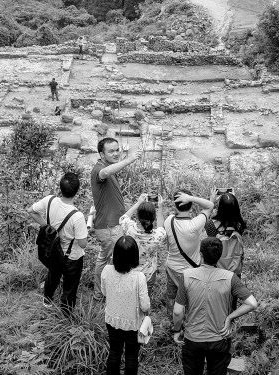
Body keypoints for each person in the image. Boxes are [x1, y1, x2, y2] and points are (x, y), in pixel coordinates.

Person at [172, 237, 258, 375]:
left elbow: (177, 312)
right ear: (220, 256)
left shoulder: (186, 276)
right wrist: (229, 318)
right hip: (219, 338)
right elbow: (252, 303)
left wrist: (177, 330)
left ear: (200, 255)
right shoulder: (230, 277)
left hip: (193, 339)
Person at [27, 172, 88, 313]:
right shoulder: (77, 216)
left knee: (53, 274)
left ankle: (47, 301)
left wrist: (48, 227)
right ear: (77, 191)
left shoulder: (49, 200)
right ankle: (66, 313)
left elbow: (31, 211)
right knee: (70, 286)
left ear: (60, 188)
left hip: (52, 250)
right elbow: (83, 243)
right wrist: (88, 226)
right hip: (71, 258)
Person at [91, 137, 142, 301]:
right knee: (110, 260)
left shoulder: (108, 168)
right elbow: (104, 173)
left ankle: (102, 292)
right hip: (109, 226)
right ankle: (103, 293)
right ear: (101, 154)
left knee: (106, 258)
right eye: (111, 151)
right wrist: (129, 159)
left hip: (113, 223)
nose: (115, 153)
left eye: (117, 150)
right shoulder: (100, 169)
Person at [101, 235, 150, 375]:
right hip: (133, 324)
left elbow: (104, 292)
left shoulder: (106, 270)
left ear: (115, 254)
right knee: (131, 356)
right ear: (135, 256)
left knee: (114, 351)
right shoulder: (139, 277)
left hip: (112, 319)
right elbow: (145, 306)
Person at [164, 189, 214, 317]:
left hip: (172, 268)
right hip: (190, 271)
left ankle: (174, 323)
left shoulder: (168, 221)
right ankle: (189, 321)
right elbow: (210, 206)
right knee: (190, 299)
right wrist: (191, 198)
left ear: (175, 205)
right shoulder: (195, 224)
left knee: (172, 297)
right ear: (190, 204)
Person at [205, 192, 247, 309]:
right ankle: (231, 317)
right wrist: (231, 201)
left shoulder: (212, 225)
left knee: (217, 297)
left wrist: (211, 202)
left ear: (220, 207)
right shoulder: (240, 225)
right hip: (235, 268)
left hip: (217, 267)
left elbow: (209, 237)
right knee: (233, 296)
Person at [119, 193, 166, 293]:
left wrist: (138, 203)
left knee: (129, 299)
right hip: (147, 275)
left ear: (137, 216)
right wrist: (160, 208)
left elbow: (124, 218)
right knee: (144, 301)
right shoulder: (157, 236)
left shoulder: (129, 228)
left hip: (129, 272)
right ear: (153, 219)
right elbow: (161, 227)